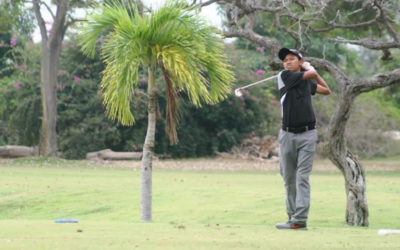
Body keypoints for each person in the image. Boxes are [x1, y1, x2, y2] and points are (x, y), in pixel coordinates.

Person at [275, 48, 331, 230]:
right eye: (285, 60)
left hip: (307, 134)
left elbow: (326, 90)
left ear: (300, 61)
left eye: (292, 59)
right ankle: (292, 217)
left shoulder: (306, 81)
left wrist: (312, 73)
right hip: (287, 134)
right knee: (288, 178)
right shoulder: (285, 76)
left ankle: (299, 220)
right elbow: (311, 73)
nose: (287, 62)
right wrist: (309, 69)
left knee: (302, 177)